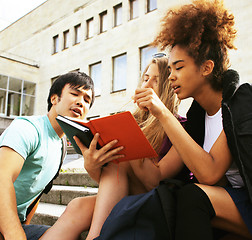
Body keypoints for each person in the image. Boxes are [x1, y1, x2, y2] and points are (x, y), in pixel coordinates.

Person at [133, 0, 252, 239]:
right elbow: (156, 176)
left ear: (206, 68)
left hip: (247, 200)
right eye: (170, 70)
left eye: (178, 67)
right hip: (230, 203)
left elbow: (210, 174)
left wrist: (163, 113)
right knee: (176, 195)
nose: (172, 76)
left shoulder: (240, 102)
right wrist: (129, 138)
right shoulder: (197, 116)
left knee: (193, 196)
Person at [40, 55, 189, 240]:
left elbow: (156, 181)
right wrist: (92, 165)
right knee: (78, 206)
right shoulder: (133, 120)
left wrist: (128, 142)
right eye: (145, 79)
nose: (147, 85)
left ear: (169, 87)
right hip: (128, 194)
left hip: (158, 200)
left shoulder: (181, 126)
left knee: (120, 155)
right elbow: (110, 181)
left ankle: (95, 237)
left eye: (156, 81)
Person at [0, 71, 119, 240]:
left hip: (16, 225)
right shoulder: (27, 128)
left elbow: (37, 194)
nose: (80, 102)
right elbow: (2, 178)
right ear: (54, 99)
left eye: (87, 100)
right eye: (75, 94)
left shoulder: (61, 145)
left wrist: (24, 228)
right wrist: (15, 234)